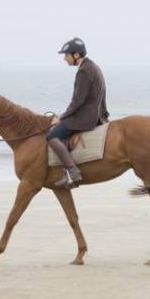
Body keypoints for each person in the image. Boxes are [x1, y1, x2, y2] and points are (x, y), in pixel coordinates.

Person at [48, 37, 109, 188]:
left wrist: (61, 117)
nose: (64, 58)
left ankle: (72, 171)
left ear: (76, 55)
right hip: (96, 114)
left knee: (52, 136)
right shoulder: (93, 66)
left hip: (85, 118)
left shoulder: (84, 71)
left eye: (66, 55)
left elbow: (77, 101)